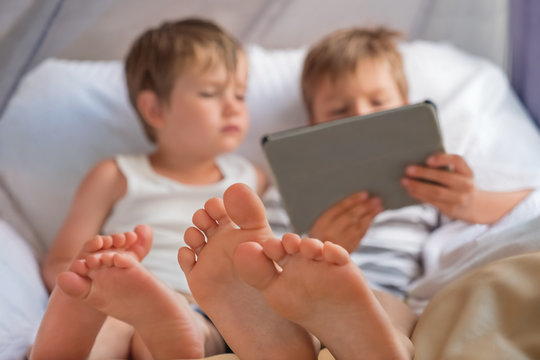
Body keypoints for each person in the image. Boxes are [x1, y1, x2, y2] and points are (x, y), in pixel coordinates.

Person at [29, 18, 269, 359]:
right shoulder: (116, 175)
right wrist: (88, 277)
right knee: (112, 328)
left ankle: (167, 329)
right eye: (210, 93)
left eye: (240, 94)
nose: (233, 106)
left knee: (196, 329)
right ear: (154, 109)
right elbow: (62, 261)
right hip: (124, 298)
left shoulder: (251, 179)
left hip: (212, 306)